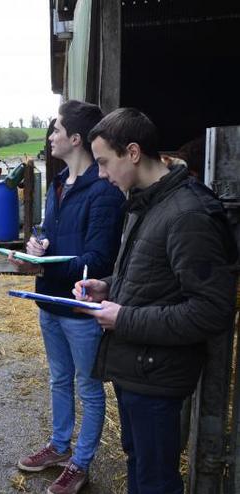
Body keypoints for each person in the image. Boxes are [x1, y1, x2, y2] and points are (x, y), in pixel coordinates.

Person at [75, 108, 237, 494]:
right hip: (137, 367)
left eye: (103, 162)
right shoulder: (144, 203)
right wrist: (108, 287)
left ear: (132, 152)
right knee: (141, 467)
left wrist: (123, 318)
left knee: (156, 482)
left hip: (158, 376)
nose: (100, 173)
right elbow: (153, 276)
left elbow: (212, 311)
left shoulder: (187, 214)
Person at [10, 100, 125, 494]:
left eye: (56, 130)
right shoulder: (57, 183)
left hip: (80, 308)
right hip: (49, 303)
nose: (51, 136)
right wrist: (35, 247)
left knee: (89, 389)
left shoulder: (104, 192)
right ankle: (60, 446)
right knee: (59, 379)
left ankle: (81, 462)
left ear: (75, 139)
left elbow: (98, 260)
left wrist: (46, 266)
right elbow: (48, 233)